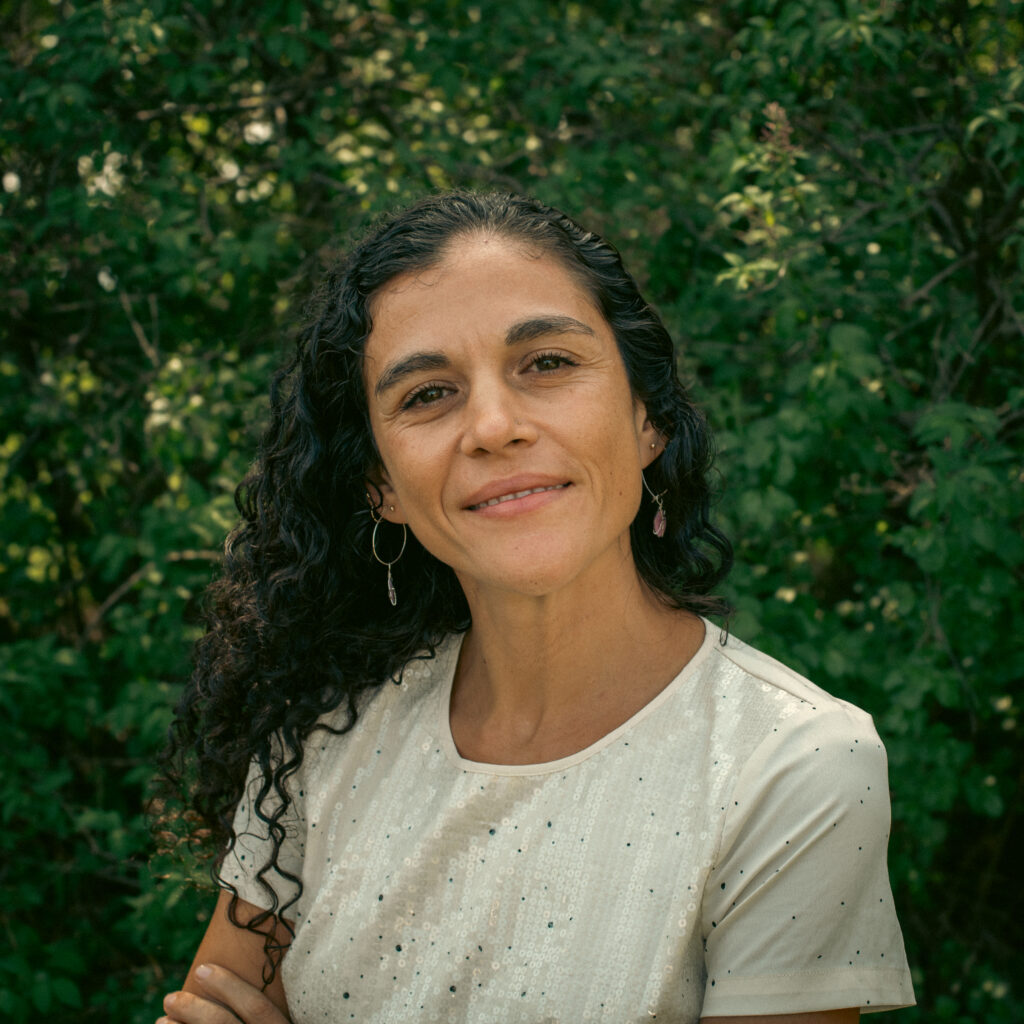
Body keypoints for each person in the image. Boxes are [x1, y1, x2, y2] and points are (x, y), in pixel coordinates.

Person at [158, 191, 915, 1024]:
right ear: (381, 485)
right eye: (426, 395)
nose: (492, 425)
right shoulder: (321, 732)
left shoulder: (793, 767)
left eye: (547, 363)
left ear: (647, 418)